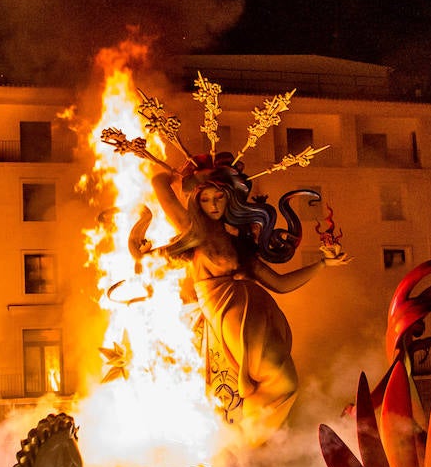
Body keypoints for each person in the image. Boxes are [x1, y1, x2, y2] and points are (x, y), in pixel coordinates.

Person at [145, 154, 349, 438]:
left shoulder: (240, 244)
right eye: (206, 199)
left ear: (230, 199)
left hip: (253, 312)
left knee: (285, 381)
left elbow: (280, 283)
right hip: (225, 310)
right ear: (197, 202)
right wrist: (182, 174)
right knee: (279, 379)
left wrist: (322, 264)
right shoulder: (193, 230)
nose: (213, 205)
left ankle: (251, 443)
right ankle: (245, 441)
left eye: (219, 198)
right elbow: (159, 184)